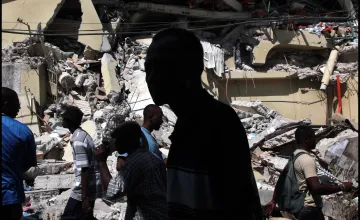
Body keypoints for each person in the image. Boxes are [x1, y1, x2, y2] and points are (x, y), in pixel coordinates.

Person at [145, 28, 263, 220]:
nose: (149, 77)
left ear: (186, 71)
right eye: (147, 67)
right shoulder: (187, 124)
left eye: (158, 66)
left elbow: (238, 205)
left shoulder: (216, 123)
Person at [264, 125, 353, 220]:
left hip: (299, 210)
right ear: (306, 140)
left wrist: (274, 200)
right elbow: (316, 188)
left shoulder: (294, 156)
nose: (316, 139)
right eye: (313, 137)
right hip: (309, 210)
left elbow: (281, 180)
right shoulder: (307, 160)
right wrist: (342, 187)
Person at [96, 121, 167, 220]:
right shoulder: (154, 158)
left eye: (118, 140)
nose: (115, 143)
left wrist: (102, 162)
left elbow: (112, 191)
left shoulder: (133, 163)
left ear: (126, 141)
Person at [60, 106, 103, 220]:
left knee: (68, 216)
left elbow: (84, 169)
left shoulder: (78, 140)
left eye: (63, 119)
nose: (61, 121)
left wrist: (84, 198)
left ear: (69, 121)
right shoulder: (80, 135)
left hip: (84, 188)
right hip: (88, 185)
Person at [2, 87, 37, 220]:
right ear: (5, 104)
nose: (19, 106)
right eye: (16, 102)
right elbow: (29, 168)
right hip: (10, 197)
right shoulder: (22, 131)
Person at [117, 104, 167, 171]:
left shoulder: (150, 137)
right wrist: (122, 158)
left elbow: (156, 153)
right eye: (159, 117)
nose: (161, 121)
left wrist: (164, 158)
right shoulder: (139, 134)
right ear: (151, 117)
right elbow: (121, 162)